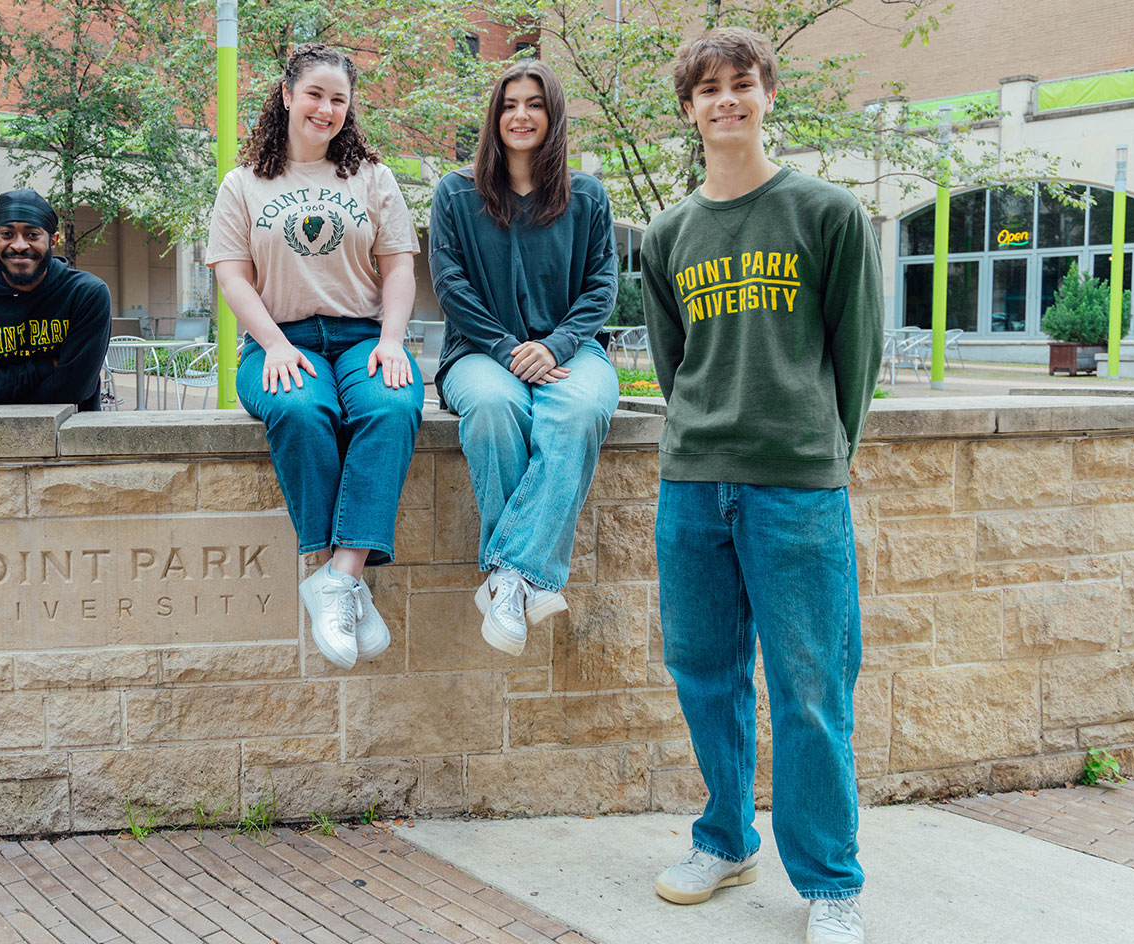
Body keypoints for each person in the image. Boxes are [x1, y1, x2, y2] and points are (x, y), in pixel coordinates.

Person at [640, 28, 882, 944]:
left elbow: (856, 354)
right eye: (708, 90)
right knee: (705, 675)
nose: (726, 101)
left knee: (811, 687)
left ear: (767, 94)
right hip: (694, 485)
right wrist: (705, 436)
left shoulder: (828, 213)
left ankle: (831, 884)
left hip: (796, 488)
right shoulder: (668, 234)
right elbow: (674, 364)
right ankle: (725, 839)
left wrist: (820, 452)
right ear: (689, 109)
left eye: (741, 84)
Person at [206, 42, 423, 670]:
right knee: (301, 410)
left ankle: (339, 577)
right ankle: (342, 584)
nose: (325, 109)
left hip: (363, 337)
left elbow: (399, 269)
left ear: (348, 108)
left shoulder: (372, 178)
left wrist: (392, 340)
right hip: (280, 339)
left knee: (392, 405)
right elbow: (232, 276)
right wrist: (274, 343)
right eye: (314, 95)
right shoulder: (243, 184)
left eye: (338, 99)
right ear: (286, 95)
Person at [429, 60, 620, 655]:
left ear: (553, 114)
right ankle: (527, 576)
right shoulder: (455, 192)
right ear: (494, 116)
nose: (521, 115)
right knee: (493, 407)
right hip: (479, 350)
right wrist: (508, 350)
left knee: (578, 411)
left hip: (572, 349)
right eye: (509, 104)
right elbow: (450, 284)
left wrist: (555, 345)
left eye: (535, 103)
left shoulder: (587, 196)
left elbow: (602, 286)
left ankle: (508, 578)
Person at [0, 189, 112, 412]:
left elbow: (75, 389)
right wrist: (48, 365)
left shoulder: (85, 294)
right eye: (7, 234)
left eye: (32, 235)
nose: (19, 245)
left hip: (72, 431)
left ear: (53, 240)